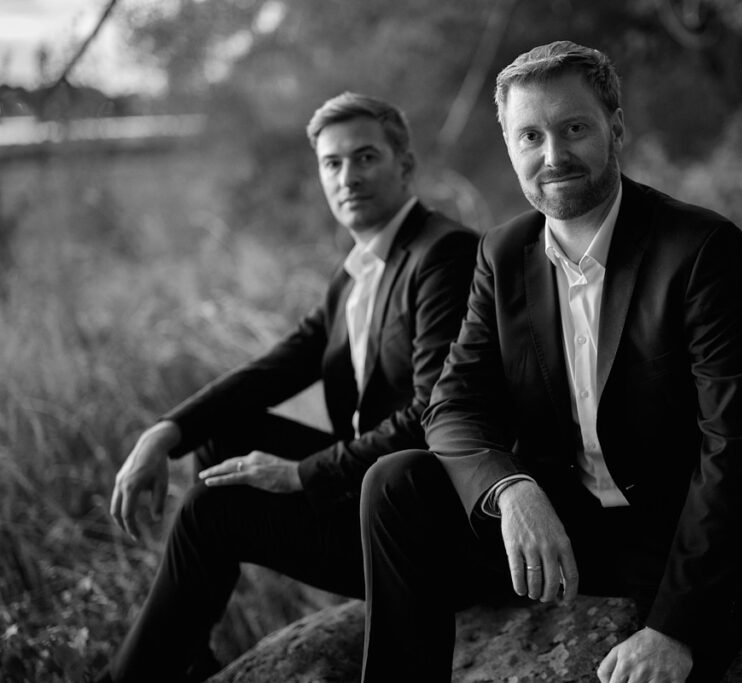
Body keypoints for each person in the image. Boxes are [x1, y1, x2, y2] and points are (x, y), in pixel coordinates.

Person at [358, 42, 742, 682]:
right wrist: (510, 489)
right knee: (395, 484)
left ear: (615, 129)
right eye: (531, 136)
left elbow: (736, 443)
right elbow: (454, 403)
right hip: (570, 522)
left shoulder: (700, 248)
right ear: (510, 147)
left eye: (574, 128)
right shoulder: (502, 253)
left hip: (683, 529)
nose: (553, 156)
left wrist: (673, 630)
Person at [99, 92, 478, 682]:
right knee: (224, 438)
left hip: (420, 526)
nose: (348, 177)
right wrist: (165, 432)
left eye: (366, 157)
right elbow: (275, 369)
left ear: (405, 166)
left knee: (211, 510)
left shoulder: (444, 255)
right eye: (332, 163)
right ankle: (186, 652)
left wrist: (300, 474)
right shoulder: (357, 272)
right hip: (364, 494)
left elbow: (434, 418)